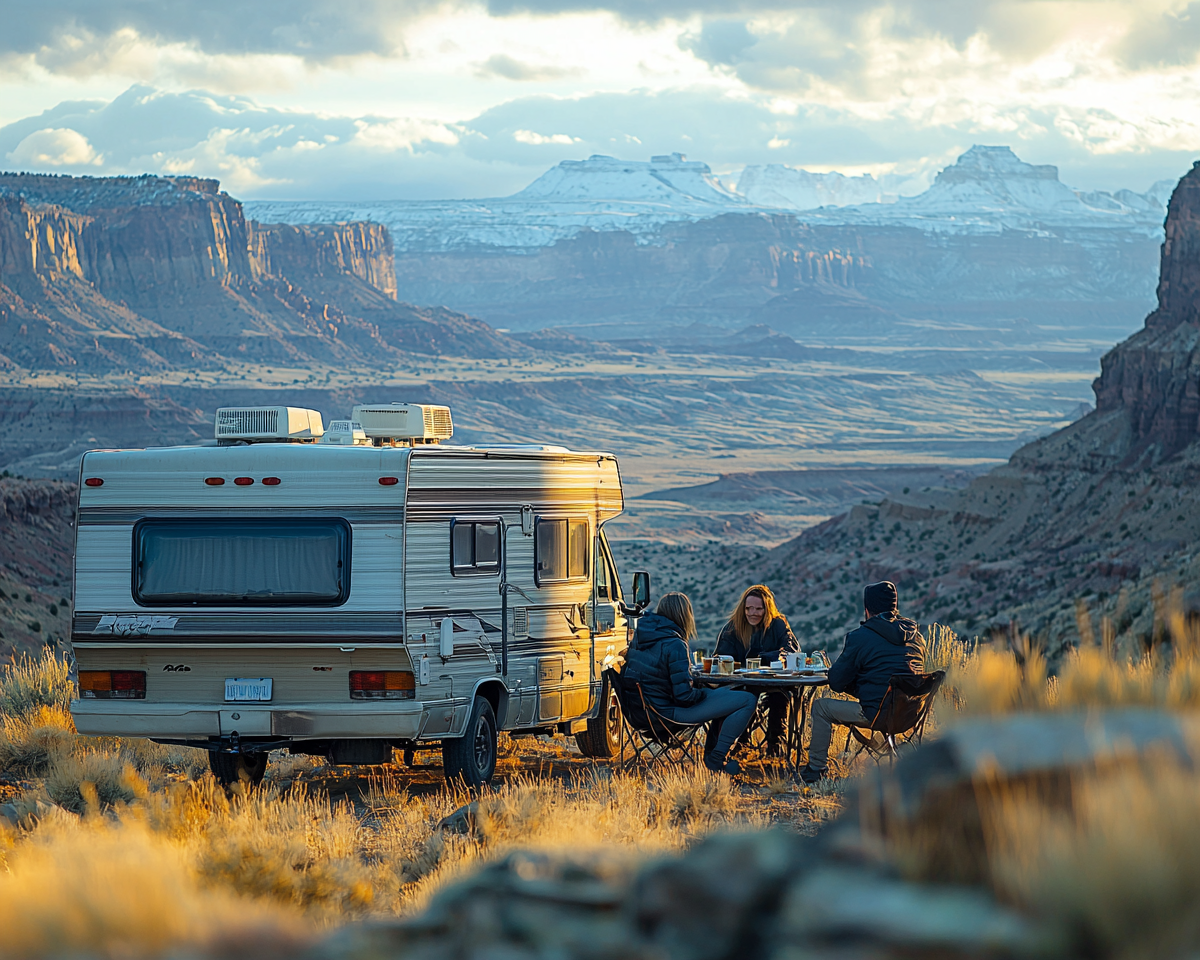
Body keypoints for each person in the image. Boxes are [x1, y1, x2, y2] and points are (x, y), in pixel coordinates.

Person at [800, 580, 925, 784]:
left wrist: (856, 682)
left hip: (878, 715)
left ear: (867, 609)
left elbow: (837, 682)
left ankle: (815, 769)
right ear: (894, 607)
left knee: (821, 707)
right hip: (911, 713)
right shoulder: (915, 635)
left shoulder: (861, 637)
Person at [622, 591, 758, 775]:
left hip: (642, 713)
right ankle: (716, 758)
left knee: (726, 697)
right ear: (683, 615)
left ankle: (716, 753)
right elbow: (684, 696)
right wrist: (702, 691)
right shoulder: (674, 643)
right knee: (747, 700)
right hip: (666, 714)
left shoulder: (640, 638)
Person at [712, 585, 799, 756]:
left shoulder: (778, 624)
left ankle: (775, 746)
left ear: (767, 609)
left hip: (775, 681)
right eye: (748, 608)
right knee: (745, 696)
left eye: (759, 609)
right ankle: (741, 743)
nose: (753, 613)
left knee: (779, 696)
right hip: (742, 682)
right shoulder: (733, 627)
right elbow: (720, 656)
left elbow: (791, 650)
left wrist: (763, 658)